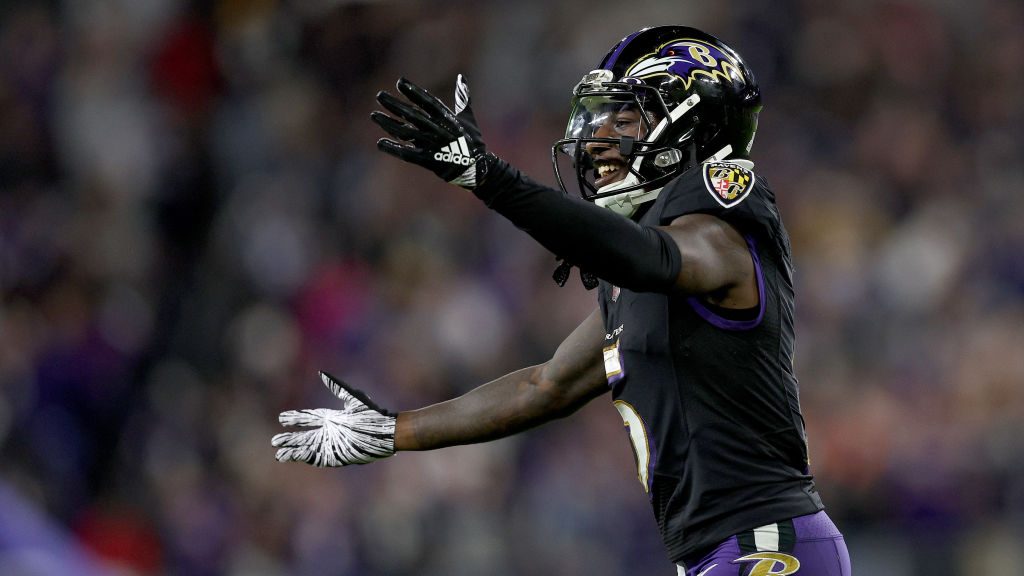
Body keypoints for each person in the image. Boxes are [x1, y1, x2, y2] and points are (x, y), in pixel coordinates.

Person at [272, 26, 852, 575]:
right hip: (721, 552)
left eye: (624, 116)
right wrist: (393, 431)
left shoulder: (720, 230)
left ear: (689, 120)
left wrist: (490, 178)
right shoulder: (642, 282)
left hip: (768, 543)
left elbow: (651, 256)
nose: (598, 138)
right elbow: (544, 386)